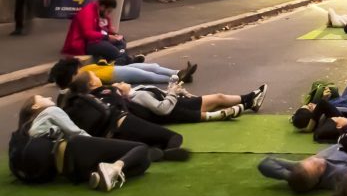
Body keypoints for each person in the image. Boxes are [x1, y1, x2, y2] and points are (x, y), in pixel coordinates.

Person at [12, 95, 153, 191]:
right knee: (141, 148)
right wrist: (100, 144)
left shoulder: (25, 130)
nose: (49, 97)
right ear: (36, 106)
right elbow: (76, 133)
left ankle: (101, 175)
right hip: (74, 149)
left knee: (142, 162)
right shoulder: (50, 111)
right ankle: (114, 168)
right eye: (43, 97)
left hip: (67, 171)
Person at [60, 73, 190, 159]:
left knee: (147, 142)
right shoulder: (108, 91)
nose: (98, 77)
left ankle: (149, 150)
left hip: (106, 137)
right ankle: (161, 154)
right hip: (123, 121)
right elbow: (124, 108)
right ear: (92, 84)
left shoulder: (81, 102)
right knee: (175, 137)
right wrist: (121, 91)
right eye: (95, 76)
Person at [72, 69, 262, 124]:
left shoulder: (135, 93)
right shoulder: (136, 97)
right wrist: (173, 93)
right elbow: (162, 108)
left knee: (216, 101)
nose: (117, 84)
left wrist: (174, 91)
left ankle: (248, 100)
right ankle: (248, 99)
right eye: (95, 77)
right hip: (176, 106)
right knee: (217, 100)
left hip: (177, 102)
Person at [62, 0, 135, 63]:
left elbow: (104, 27)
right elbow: (87, 33)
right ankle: (125, 60)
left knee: (121, 42)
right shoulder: (88, 12)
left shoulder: (100, 12)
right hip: (86, 43)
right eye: (108, 11)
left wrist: (113, 34)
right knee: (114, 51)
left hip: (98, 39)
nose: (108, 14)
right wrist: (107, 37)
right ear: (103, 7)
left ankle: (122, 59)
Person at [50, 57, 194, 89]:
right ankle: (178, 77)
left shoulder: (81, 71)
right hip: (116, 74)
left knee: (152, 67)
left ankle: (179, 72)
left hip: (115, 69)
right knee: (149, 75)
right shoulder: (79, 76)